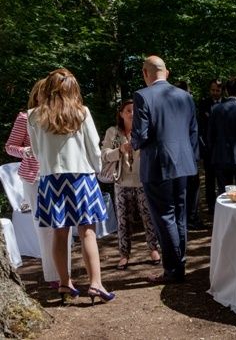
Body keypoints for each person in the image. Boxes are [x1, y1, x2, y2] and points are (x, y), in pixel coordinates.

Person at [27, 68, 113, 305]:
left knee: (59, 232)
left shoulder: (33, 115)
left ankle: (65, 282)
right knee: (87, 231)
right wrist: (97, 169)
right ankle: (96, 283)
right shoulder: (81, 112)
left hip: (50, 179)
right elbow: (93, 147)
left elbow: (36, 151)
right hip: (81, 177)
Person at [132, 56, 199, 284]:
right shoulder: (185, 96)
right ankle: (180, 263)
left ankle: (173, 270)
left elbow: (141, 135)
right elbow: (193, 131)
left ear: (145, 73)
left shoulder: (142, 96)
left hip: (157, 164)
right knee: (179, 214)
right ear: (166, 72)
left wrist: (132, 144)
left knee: (164, 216)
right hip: (184, 163)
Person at [5, 77, 72, 288]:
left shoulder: (62, 117)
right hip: (33, 178)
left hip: (60, 176)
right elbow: (10, 146)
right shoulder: (25, 117)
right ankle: (52, 276)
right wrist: (26, 151)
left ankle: (66, 274)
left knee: (64, 225)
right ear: (38, 94)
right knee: (43, 227)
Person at [101, 100, 161, 270]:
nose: (132, 114)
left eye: (135, 110)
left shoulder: (144, 130)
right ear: (121, 114)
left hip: (143, 180)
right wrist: (119, 150)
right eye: (128, 110)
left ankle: (153, 249)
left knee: (148, 217)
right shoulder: (112, 132)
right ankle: (124, 255)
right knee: (123, 220)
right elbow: (104, 155)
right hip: (121, 181)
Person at [175, 80, 205, 230]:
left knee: (183, 189)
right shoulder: (189, 105)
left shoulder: (172, 107)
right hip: (189, 153)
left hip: (178, 154)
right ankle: (191, 218)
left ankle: (184, 219)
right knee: (191, 188)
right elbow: (193, 131)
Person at [199, 79, 222, 214]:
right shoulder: (204, 104)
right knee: (209, 179)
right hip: (208, 148)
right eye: (212, 90)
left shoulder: (226, 104)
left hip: (223, 149)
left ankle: (223, 206)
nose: (215, 93)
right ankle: (211, 207)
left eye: (217, 90)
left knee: (222, 179)